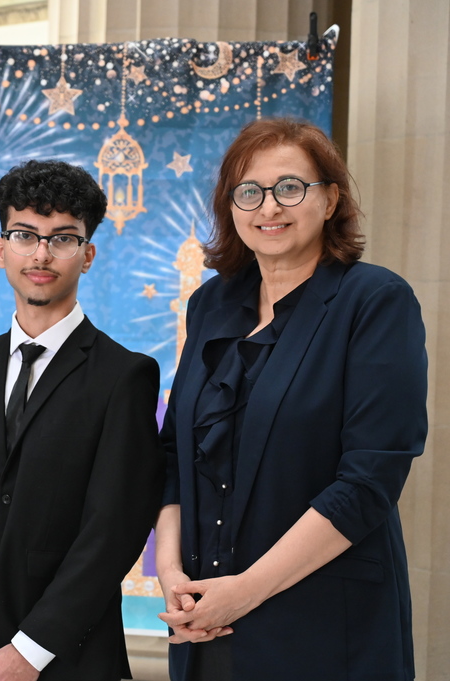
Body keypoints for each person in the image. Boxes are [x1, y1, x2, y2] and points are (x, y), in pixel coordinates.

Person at [156, 118, 427, 681]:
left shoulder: (375, 300)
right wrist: (170, 572)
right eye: (249, 192)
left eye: (290, 187)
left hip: (322, 628)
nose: (269, 207)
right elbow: (172, 458)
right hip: (205, 625)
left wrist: (245, 591)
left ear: (330, 200)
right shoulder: (210, 304)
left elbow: (368, 483)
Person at [0, 160, 165, 681]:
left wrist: (30, 651)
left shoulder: (125, 376)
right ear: (0, 248)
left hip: (69, 656)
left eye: (63, 239)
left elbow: (113, 532)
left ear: (88, 255)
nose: (41, 254)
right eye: (25, 235)